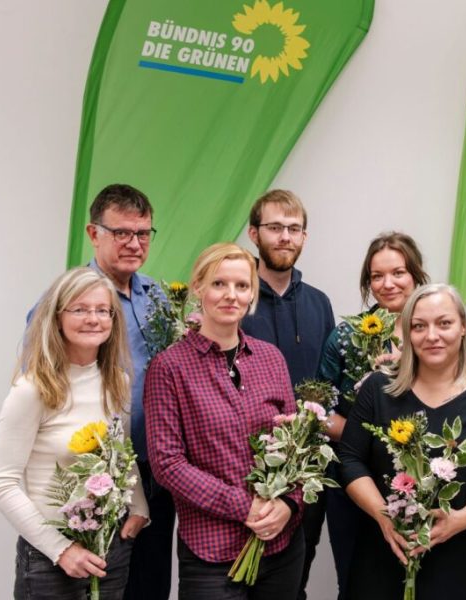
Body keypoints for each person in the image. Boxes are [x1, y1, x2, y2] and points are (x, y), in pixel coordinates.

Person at [339, 284, 466, 599]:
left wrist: (458, 521)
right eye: (419, 326)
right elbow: (349, 459)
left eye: (444, 323)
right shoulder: (378, 389)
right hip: (388, 555)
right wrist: (383, 516)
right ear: (407, 332)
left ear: (464, 328)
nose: (432, 335)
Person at [144, 243, 305, 599]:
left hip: (282, 544)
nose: (231, 295)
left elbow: (297, 445)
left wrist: (289, 503)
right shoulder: (169, 368)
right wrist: (245, 507)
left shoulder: (270, 358)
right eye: (219, 284)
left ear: (252, 294)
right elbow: (168, 464)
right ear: (198, 288)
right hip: (211, 550)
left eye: (242, 286)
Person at [0, 267, 149, 599]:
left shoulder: (117, 381)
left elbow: (121, 451)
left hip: (110, 550)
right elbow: (0, 482)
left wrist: (139, 507)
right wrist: (60, 550)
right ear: (57, 317)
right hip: (51, 559)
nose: (93, 319)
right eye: (80, 309)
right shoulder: (33, 389)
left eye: (102, 310)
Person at [317, 231, 430, 598]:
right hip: (355, 481)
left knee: (422, 579)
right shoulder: (346, 336)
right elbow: (317, 409)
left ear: (416, 275)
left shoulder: (438, 333)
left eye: (398, 272)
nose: (388, 283)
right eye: (377, 276)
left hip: (424, 482)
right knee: (357, 582)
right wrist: (364, 436)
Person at [240, 190, 335, 600]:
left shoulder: (319, 303)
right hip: (244, 466)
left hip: (305, 472)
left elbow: (329, 383)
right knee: (240, 574)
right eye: (275, 228)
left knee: (295, 572)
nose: (284, 237)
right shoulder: (235, 299)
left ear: (304, 237)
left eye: (293, 229)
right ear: (253, 234)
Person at [84, 183, 176, 599]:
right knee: (104, 585)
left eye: (143, 233)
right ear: (93, 233)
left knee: (152, 582)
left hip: (158, 467)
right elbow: (42, 383)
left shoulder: (156, 296)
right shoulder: (72, 298)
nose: (134, 243)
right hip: (100, 475)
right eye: (121, 232)